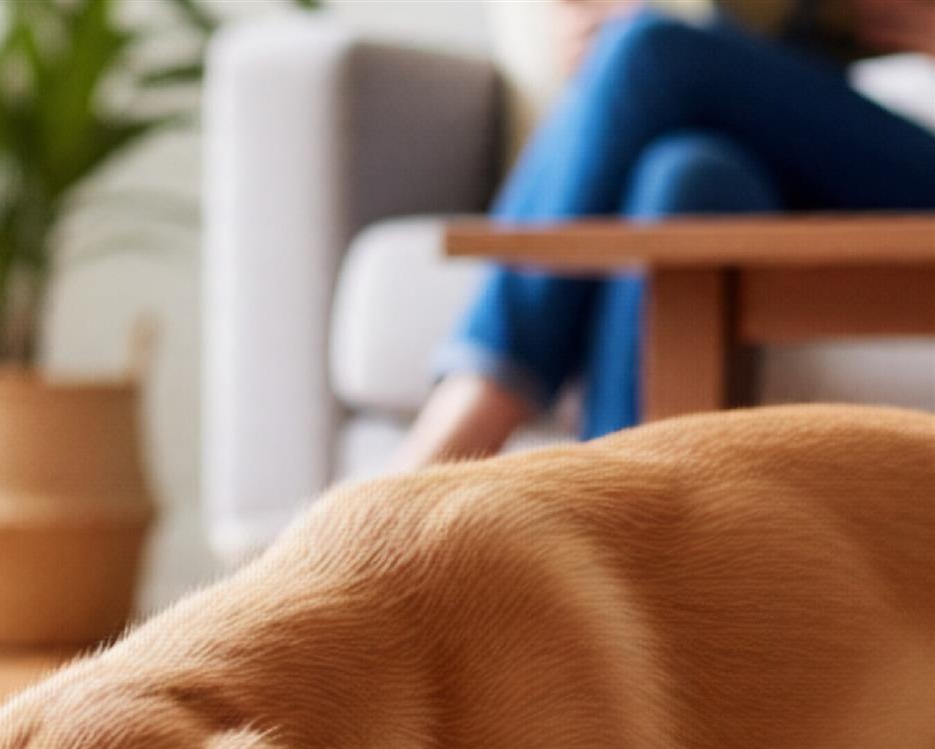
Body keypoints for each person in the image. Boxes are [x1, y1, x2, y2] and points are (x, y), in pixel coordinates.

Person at [393, 0, 935, 470]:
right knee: (687, 176)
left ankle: (460, 428)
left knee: (647, 48)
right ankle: (608, 517)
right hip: (795, 140)